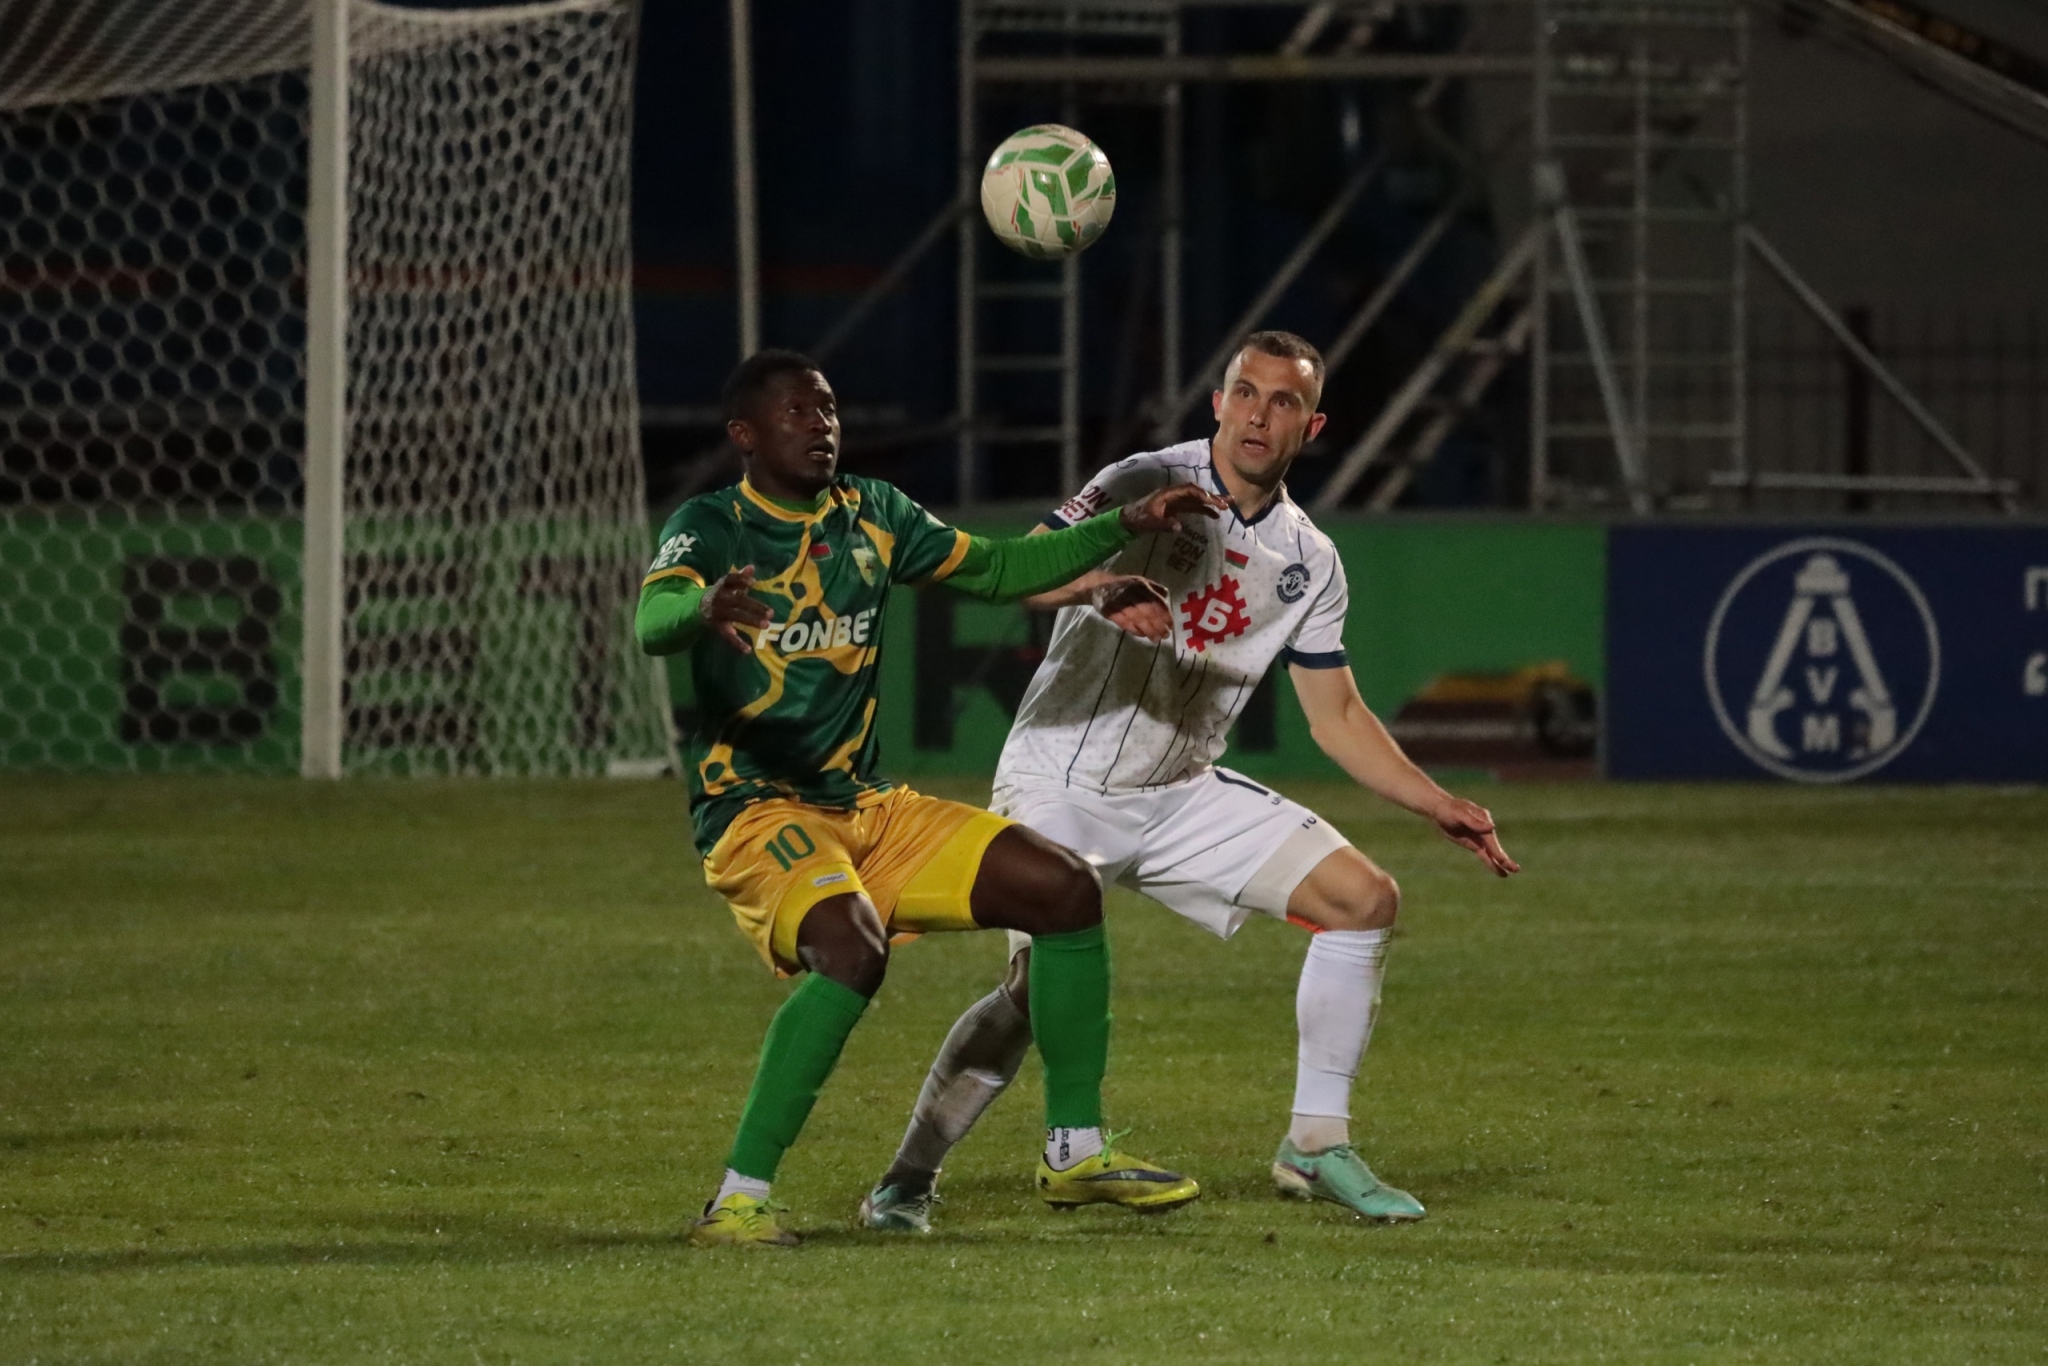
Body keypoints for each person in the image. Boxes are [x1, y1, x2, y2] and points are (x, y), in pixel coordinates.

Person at [859, 331, 1519, 1235]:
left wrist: (1437, 801)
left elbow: (1335, 715)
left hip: (1179, 789)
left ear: (1312, 426)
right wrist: (1095, 584)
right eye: (1245, 392)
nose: (1259, 414)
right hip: (1060, 775)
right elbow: (1022, 571)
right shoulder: (1143, 481)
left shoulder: (1311, 558)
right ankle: (907, 1179)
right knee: (1032, 993)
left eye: (1284, 402)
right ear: (1217, 402)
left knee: (1363, 901)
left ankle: (1316, 1144)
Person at [639, 350, 1224, 1248]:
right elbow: (652, 623)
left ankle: (1074, 1151)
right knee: (851, 950)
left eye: (828, 409)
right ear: (744, 435)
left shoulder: (874, 513)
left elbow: (997, 568)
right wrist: (700, 608)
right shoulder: (713, 526)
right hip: (756, 810)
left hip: (869, 808)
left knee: (1064, 889)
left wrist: (1127, 522)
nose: (821, 425)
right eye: (796, 412)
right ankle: (737, 1200)